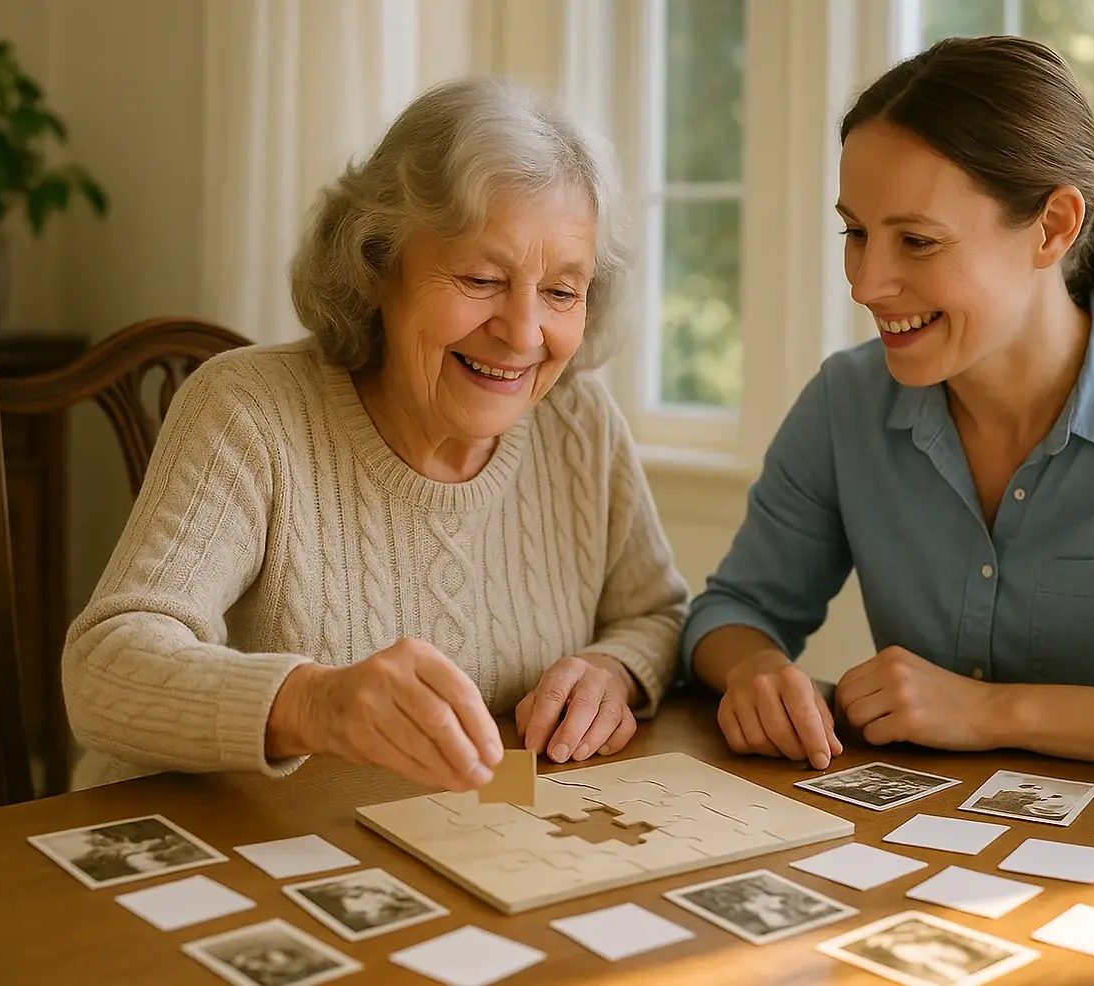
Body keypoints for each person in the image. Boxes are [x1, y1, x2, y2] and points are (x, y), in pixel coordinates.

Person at [682, 35, 1094, 782]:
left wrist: (991, 711)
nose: (867, 283)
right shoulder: (843, 403)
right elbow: (732, 611)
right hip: (931, 845)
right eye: (856, 233)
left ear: (1052, 227)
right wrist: (753, 669)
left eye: (917, 240)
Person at [62, 77, 687, 792]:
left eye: (561, 292)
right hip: (213, 851)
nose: (522, 333)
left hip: (446, 846)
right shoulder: (248, 410)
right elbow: (104, 667)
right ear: (374, 263)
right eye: (481, 277)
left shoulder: (579, 423)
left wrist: (614, 670)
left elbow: (655, 613)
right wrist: (310, 704)